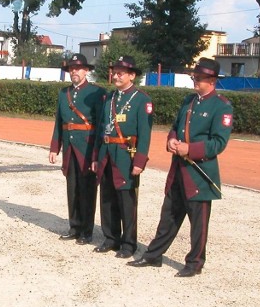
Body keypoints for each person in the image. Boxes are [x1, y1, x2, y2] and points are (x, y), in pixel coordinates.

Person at [128, 58, 233, 277]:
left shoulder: (221, 106)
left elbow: (218, 143)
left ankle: (195, 263)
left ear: (212, 80)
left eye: (200, 78)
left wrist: (190, 149)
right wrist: (172, 140)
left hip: (199, 173)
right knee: (168, 216)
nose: (195, 80)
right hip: (179, 170)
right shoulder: (189, 101)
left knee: (198, 223)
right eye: (195, 76)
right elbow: (176, 127)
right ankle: (153, 256)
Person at [92, 55, 153, 258]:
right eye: (114, 72)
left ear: (132, 75)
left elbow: (145, 134)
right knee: (107, 198)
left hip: (126, 155)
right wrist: (95, 157)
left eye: (120, 73)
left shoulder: (142, 99)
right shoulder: (109, 98)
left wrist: (140, 161)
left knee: (126, 201)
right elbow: (101, 128)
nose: (115, 76)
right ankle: (110, 238)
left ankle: (128, 244)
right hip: (107, 153)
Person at [49, 54, 106, 245]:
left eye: (78, 68)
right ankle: (74, 227)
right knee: (72, 188)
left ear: (86, 71)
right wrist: (55, 147)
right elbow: (60, 122)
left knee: (87, 190)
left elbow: (99, 125)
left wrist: (97, 152)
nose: (74, 71)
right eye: (71, 68)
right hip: (70, 149)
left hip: (87, 148)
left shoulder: (97, 93)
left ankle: (86, 231)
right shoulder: (63, 93)